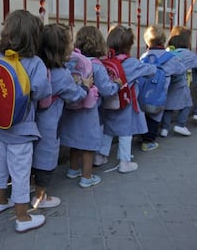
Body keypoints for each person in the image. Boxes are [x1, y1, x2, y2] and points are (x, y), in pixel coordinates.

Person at [0, 10, 51, 233]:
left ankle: (0, 202)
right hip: (21, 129)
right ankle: (23, 217)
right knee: (21, 174)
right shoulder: (36, 63)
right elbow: (42, 91)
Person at [32, 23, 93, 208]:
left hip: (31, 120)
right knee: (46, 158)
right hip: (50, 124)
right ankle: (40, 197)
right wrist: (85, 86)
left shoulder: (38, 65)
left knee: (31, 156)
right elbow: (74, 96)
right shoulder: (62, 74)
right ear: (62, 48)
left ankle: (29, 187)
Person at [59, 26, 121, 188]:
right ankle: (87, 177)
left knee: (74, 141)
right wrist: (117, 85)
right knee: (89, 143)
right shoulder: (97, 66)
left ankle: (73, 170)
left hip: (72, 108)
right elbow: (107, 90)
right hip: (89, 110)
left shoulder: (71, 61)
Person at [96, 25, 157, 173]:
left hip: (107, 102)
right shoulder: (132, 63)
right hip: (125, 104)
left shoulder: (104, 61)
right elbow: (150, 71)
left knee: (108, 130)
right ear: (129, 45)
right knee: (125, 132)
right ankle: (124, 162)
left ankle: (100, 156)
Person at [140, 25, 186, 151]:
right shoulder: (170, 58)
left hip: (143, 93)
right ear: (164, 40)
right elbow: (181, 70)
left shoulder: (145, 56)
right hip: (159, 94)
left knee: (145, 115)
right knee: (155, 116)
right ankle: (148, 142)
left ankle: (142, 135)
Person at [160, 26, 197, 137]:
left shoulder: (169, 52)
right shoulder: (189, 54)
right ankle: (180, 125)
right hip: (181, 84)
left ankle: (164, 128)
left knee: (168, 106)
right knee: (187, 104)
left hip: (169, 83)